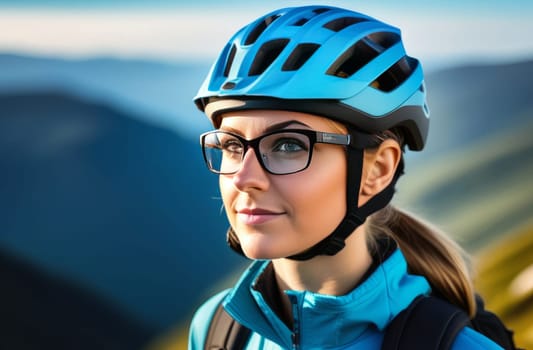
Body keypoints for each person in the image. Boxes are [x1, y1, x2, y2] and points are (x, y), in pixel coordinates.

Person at [189, 5, 504, 349]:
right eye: (233, 145)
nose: (244, 178)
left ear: (377, 171)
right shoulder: (217, 329)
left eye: (289, 145)